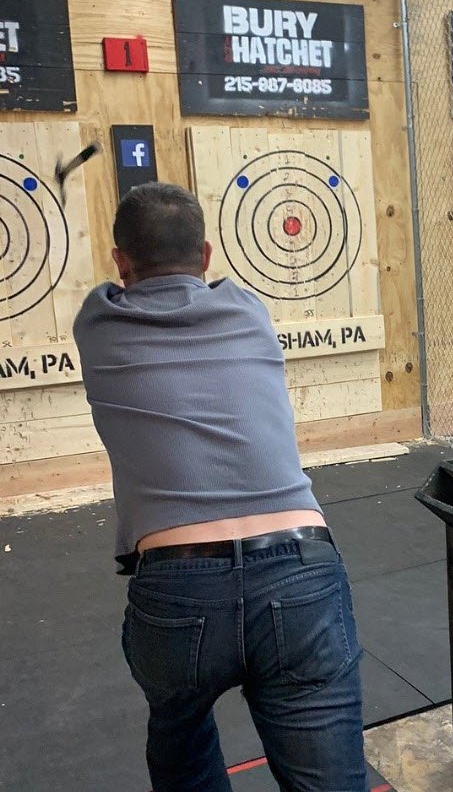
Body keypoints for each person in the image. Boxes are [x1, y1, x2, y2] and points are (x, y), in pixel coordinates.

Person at [73, 182, 365, 791]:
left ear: (121, 261)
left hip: (177, 588)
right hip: (301, 569)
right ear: (206, 256)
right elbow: (191, 280)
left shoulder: (97, 324)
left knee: (180, 740)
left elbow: (120, 283)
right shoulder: (247, 311)